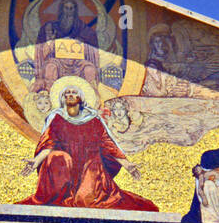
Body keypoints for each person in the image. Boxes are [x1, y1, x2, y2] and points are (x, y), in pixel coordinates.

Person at [17, 77, 156, 211]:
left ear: (81, 98)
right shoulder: (57, 119)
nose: (70, 95)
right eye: (67, 93)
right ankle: (57, 195)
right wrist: (35, 161)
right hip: (65, 169)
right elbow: (49, 144)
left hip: (90, 166)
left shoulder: (93, 120)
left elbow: (109, 145)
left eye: (74, 92)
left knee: (86, 199)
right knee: (57, 156)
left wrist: (128, 165)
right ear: (62, 98)